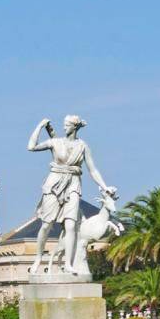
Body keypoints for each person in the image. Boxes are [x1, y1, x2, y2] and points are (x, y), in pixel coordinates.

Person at [27, 115, 116, 275]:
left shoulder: (82, 146)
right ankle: (38, 258)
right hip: (54, 184)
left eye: (67, 125)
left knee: (71, 226)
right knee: (47, 225)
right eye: (63, 125)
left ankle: (68, 263)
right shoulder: (55, 142)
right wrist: (40, 126)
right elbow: (31, 146)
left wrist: (104, 186)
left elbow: (92, 169)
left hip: (74, 184)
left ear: (74, 127)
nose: (64, 127)